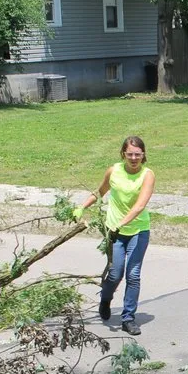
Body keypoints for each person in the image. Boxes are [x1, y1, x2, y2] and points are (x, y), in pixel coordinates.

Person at [73, 136, 155, 336]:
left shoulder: (147, 175)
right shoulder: (114, 171)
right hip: (114, 232)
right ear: (123, 154)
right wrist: (81, 207)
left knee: (133, 275)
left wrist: (122, 222)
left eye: (138, 154)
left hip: (138, 231)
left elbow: (140, 205)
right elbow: (99, 192)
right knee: (116, 274)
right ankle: (106, 299)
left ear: (143, 155)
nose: (134, 158)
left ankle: (128, 318)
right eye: (130, 154)